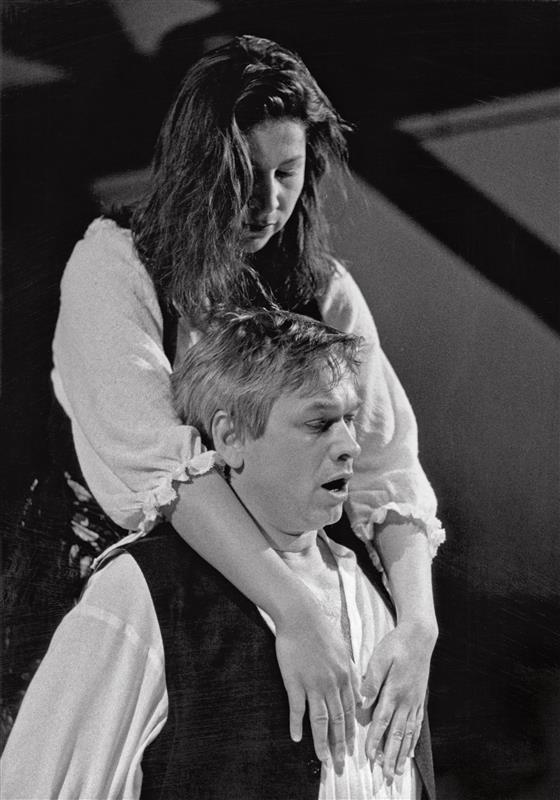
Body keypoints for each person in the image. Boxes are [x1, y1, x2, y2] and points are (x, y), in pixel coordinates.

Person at [2, 35, 444, 778]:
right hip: (98, 585)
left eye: (286, 173)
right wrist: (296, 612)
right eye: (241, 175)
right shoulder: (116, 264)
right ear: (194, 166)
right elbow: (158, 465)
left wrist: (418, 629)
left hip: (242, 596)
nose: (266, 203)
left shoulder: (324, 290)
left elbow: (385, 466)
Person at [1, 310, 435, 799]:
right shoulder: (144, 593)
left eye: (350, 419)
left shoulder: (382, 602)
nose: (350, 446)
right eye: (319, 423)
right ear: (230, 437)